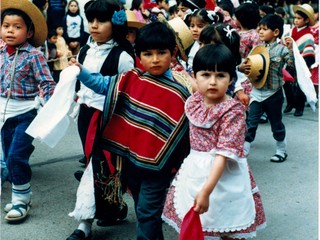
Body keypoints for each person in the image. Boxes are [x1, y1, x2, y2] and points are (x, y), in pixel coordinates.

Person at [68, 21, 190, 240]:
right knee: (142, 204)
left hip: (159, 167)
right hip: (130, 161)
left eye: (161, 53)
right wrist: (81, 72)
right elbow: (102, 84)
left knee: (146, 211)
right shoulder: (131, 79)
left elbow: (185, 130)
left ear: (172, 53)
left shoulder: (179, 91)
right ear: (138, 55)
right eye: (147, 53)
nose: (155, 59)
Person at [162, 43, 266, 239]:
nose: (212, 82)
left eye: (220, 76)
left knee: (228, 224)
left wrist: (206, 190)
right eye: (206, 75)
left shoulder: (233, 111)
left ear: (231, 79)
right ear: (195, 76)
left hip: (224, 174)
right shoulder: (195, 100)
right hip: (195, 170)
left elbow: (223, 155)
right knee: (200, 224)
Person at [67, 1, 135, 239]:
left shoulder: (123, 57)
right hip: (85, 115)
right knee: (97, 166)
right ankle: (114, 208)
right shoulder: (85, 50)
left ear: (115, 23)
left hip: (108, 120)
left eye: (101, 20)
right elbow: (80, 87)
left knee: (95, 166)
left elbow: (125, 94)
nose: (94, 26)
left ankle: (83, 224)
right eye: (91, 20)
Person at [0, 0, 55, 222]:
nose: (10, 30)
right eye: (6, 26)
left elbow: (47, 84)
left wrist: (51, 109)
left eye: (17, 26)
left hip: (26, 114)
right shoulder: (1, 52)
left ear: (29, 31)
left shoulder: (34, 55)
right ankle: (21, 194)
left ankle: (21, 201)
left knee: (16, 155)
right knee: (8, 155)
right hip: (4, 114)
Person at [240, 14, 295, 162]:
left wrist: (291, 50)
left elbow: (291, 67)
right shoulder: (257, 49)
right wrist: (241, 67)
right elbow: (245, 66)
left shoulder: (282, 50)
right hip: (257, 92)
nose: (261, 32)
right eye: (259, 29)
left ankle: (281, 150)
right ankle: (244, 150)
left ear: (276, 32)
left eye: (265, 29)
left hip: (274, 93)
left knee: (276, 123)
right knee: (251, 122)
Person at [283, 3, 316, 116]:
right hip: (290, 61)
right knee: (286, 82)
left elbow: (309, 51)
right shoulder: (291, 31)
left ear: (306, 20)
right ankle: (290, 102)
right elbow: (283, 43)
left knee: (300, 85)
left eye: (299, 18)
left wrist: (304, 64)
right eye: (295, 18)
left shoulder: (308, 35)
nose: (296, 20)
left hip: (302, 62)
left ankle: (299, 107)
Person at [186, 8, 223, 73]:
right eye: (192, 26)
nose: (194, 29)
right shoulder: (190, 45)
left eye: (200, 26)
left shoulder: (213, 46)